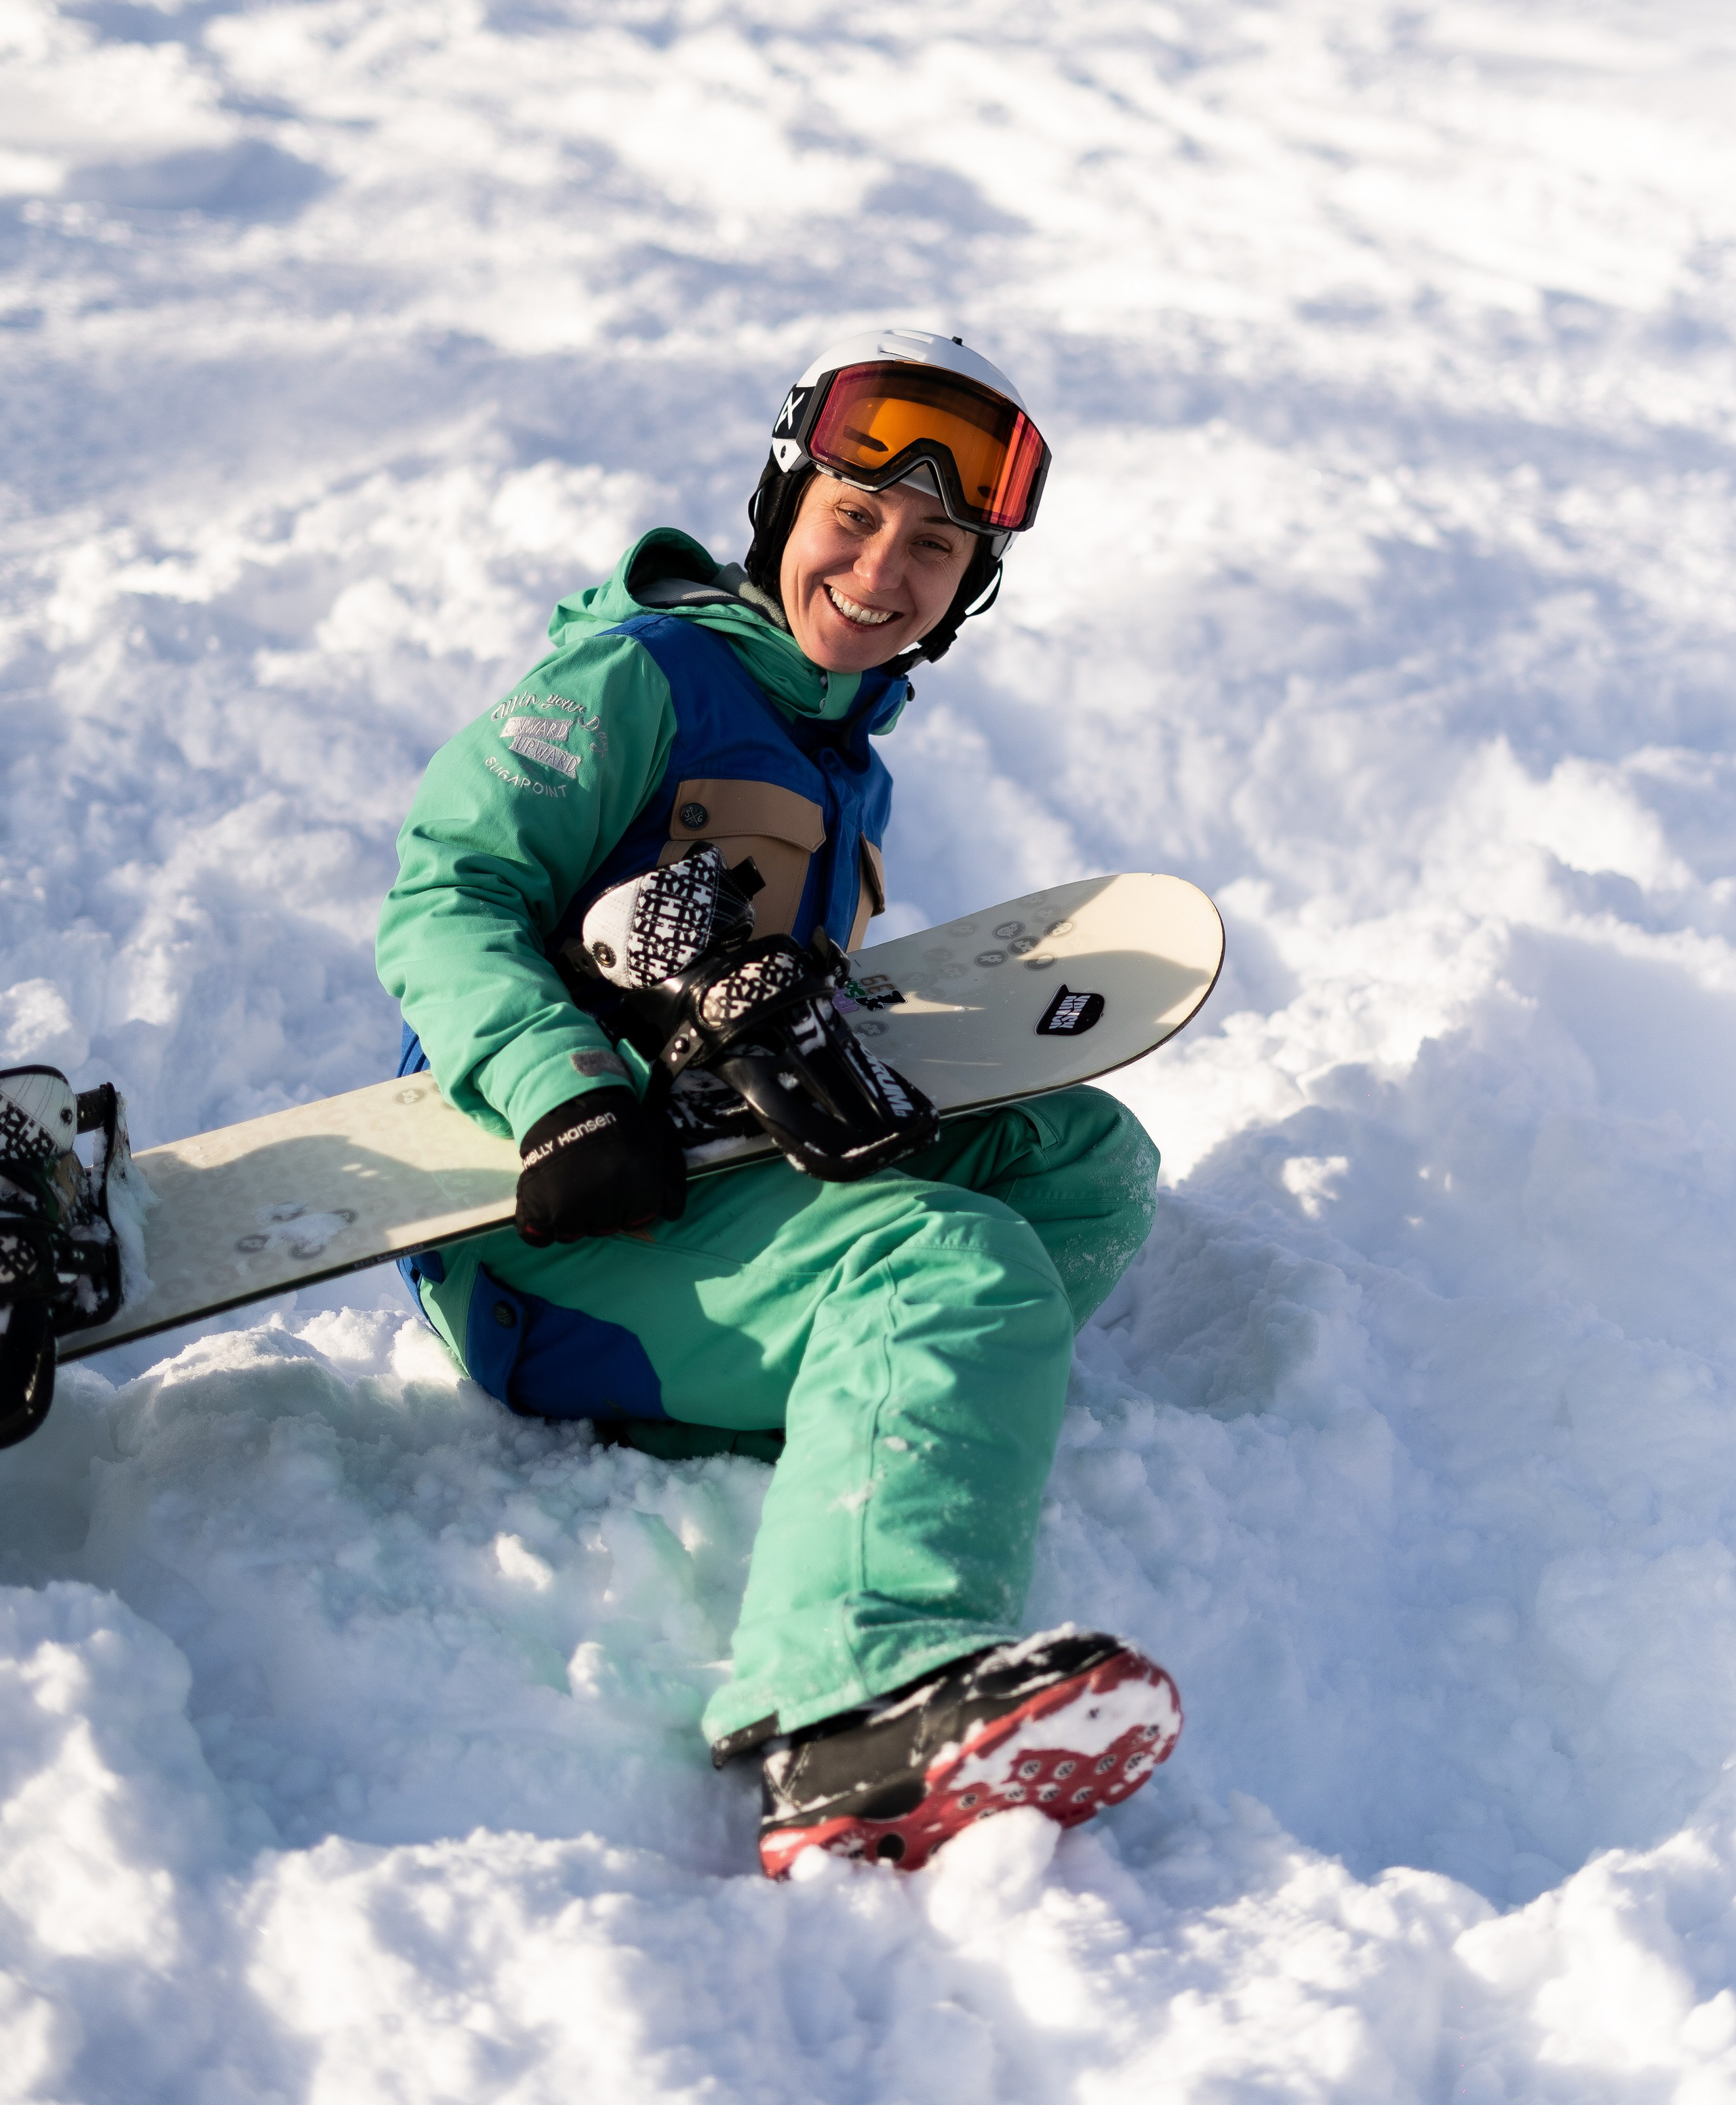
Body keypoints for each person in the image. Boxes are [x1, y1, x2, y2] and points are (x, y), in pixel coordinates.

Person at [376, 328, 1181, 1874]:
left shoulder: (840, 749)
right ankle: (851, 1707)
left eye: (936, 546)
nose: (884, 569)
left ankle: (860, 1418)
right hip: (540, 1219)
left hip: (698, 1166)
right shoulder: (636, 679)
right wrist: (562, 1088)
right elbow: (444, 897)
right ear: (778, 510)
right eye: (854, 518)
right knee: (943, 1262)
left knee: (1074, 1168)